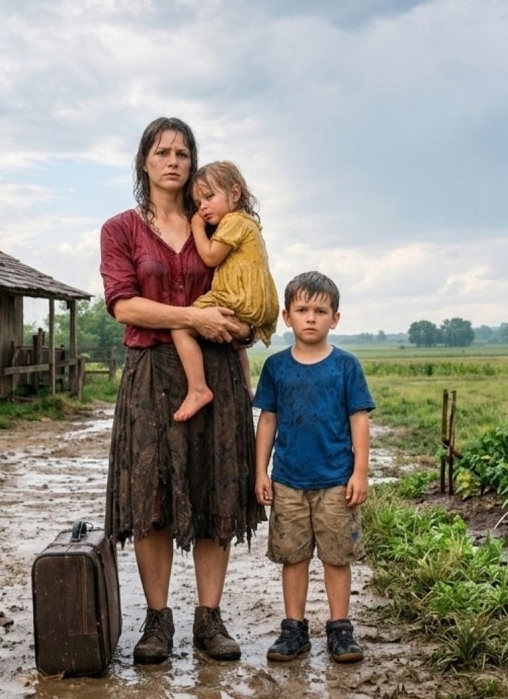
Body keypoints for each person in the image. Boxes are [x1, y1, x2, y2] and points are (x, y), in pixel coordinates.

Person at [99, 117, 264, 665]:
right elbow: (124, 305)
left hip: (218, 371)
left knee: (216, 490)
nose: (173, 161)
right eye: (162, 151)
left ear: (193, 164)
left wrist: (242, 330)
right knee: (152, 497)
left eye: (183, 153)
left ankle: (209, 620)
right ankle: (157, 621)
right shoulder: (121, 229)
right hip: (150, 374)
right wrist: (193, 317)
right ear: (144, 161)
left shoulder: (220, 224)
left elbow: (246, 290)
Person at [252, 271, 375, 664]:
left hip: (336, 481)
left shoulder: (346, 366)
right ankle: (294, 630)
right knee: (294, 557)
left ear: (334, 319)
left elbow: (359, 420)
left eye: (320, 311)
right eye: (302, 309)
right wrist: (260, 472)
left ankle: (340, 630)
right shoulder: (276, 367)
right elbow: (267, 420)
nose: (310, 318)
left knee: (337, 557)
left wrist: (360, 472)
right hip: (288, 481)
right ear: (286, 316)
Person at [171, 161, 279, 422]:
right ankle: (247, 390)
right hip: (259, 302)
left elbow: (210, 257)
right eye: (198, 203)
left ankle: (198, 389)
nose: (203, 208)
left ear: (235, 193)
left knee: (181, 325)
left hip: (237, 297)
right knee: (236, 345)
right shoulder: (249, 223)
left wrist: (197, 227)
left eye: (209, 197)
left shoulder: (233, 221)